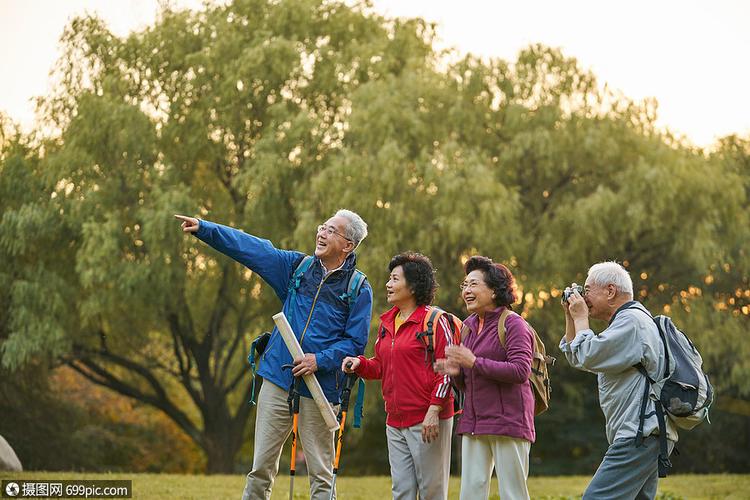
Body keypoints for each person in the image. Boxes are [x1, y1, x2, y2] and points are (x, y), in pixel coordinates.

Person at [174, 210, 373, 500]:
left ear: (348, 245)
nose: (321, 233)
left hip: (321, 388)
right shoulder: (297, 267)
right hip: (279, 380)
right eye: (322, 227)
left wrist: (319, 360)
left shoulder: (358, 288)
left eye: (331, 231)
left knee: (321, 475)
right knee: (260, 469)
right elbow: (252, 248)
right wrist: (206, 229)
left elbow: (355, 343)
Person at [560, 261, 677, 500]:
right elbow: (578, 356)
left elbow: (588, 354)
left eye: (587, 289)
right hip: (644, 434)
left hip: (639, 434)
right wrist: (571, 317)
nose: (584, 296)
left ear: (610, 291)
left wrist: (581, 316)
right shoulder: (626, 322)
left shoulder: (632, 322)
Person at [342, 252, 454, 500]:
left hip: (428, 421)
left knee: (432, 492)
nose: (388, 284)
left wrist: (434, 411)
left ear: (412, 286)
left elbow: (448, 372)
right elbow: (381, 366)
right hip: (395, 422)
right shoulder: (387, 323)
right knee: (401, 492)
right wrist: (359, 363)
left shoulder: (433, 321)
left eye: (394, 279)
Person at [435, 255, 535, 500]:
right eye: (464, 285)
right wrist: (457, 372)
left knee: (513, 494)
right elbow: (468, 381)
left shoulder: (514, 324)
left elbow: (521, 371)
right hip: (474, 422)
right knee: (470, 493)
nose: (466, 290)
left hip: (509, 422)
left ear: (493, 291)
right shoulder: (468, 326)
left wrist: (474, 362)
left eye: (473, 284)